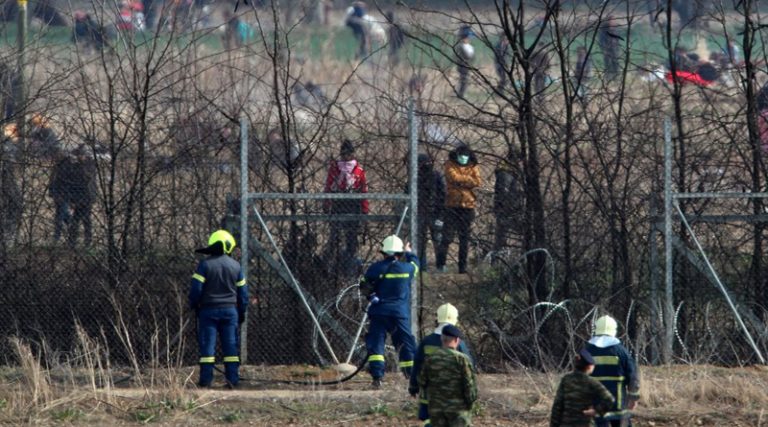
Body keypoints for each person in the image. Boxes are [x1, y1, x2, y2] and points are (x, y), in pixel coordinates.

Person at [189, 230, 248, 388]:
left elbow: (196, 289)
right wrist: (241, 312)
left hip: (208, 311)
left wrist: (194, 304)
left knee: (207, 347)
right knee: (231, 346)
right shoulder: (236, 266)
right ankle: (232, 380)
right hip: (230, 312)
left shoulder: (204, 265)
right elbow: (243, 294)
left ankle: (206, 381)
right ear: (228, 246)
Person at [361, 235, 419, 389]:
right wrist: (409, 252)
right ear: (399, 253)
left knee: (376, 343)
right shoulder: (407, 269)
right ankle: (410, 375)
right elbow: (416, 265)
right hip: (399, 313)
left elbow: (364, 285)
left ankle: (377, 377)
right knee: (405, 343)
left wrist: (371, 296)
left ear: (384, 252)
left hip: (379, 311)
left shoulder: (375, 268)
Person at [410, 303, 474, 427]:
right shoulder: (459, 344)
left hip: (430, 397)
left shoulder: (426, 341)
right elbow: (469, 368)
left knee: (430, 421)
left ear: (437, 319)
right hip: (455, 400)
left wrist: (413, 387)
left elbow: (417, 366)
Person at [586, 315, 640, 427]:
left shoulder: (587, 351)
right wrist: (633, 397)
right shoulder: (621, 351)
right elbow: (633, 376)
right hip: (619, 402)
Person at [324, 140, 369, 275]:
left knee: (351, 239)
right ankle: (329, 266)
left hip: (353, 206)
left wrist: (365, 210)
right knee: (334, 237)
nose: (346, 156)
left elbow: (364, 191)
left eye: (348, 154)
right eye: (343, 154)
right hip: (338, 205)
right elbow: (328, 186)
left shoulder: (359, 171)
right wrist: (327, 203)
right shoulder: (335, 169)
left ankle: (349, 267)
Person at [436, 145, 481, 274]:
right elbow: (452, 177)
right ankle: (441, 264)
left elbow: (477, 181)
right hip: (452, 205)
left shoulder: (473, 165)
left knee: (464, 238)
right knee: (447, 237)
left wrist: (461, 181)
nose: (463, 158)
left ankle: (462, 267)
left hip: (468, 206)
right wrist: (467, 180)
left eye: (465, 155)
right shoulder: (450, 164)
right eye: (461, 155)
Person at [550, 348, 616, 427]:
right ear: (589, 367)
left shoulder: (566, 380)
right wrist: (596, 410)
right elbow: (610, 399)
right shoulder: (591, 382)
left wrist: (554, 424)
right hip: (586, 423)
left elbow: (557, 405)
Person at [48, 144, 97, 247]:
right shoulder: (74, 166)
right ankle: (72, 243)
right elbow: (72, 183)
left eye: (80, 155)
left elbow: (88, 181)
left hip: (87, 198)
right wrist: (72, 200)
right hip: (78, 198)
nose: (79, 157)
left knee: (84, 220)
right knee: (76, 221)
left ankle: (85, 242)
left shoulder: (89, 165)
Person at [416, 154, 445, 271]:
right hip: (420, 212)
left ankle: (440, 265)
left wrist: (441, 212)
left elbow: (442, 193)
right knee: (421, 241)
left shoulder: (436, 176)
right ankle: (422, 267)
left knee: (437, 239)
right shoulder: (416, 177)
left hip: (434, 212)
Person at [493, 159, 521, 252]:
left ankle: (500, 255)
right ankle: (499, 256)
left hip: (508, 208)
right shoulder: (506, 173)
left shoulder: (508, 172)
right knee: (502, 234)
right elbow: (504, 193)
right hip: (507, 209)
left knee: (502, 234)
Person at [455, 25, 475, 98]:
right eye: (467, 38)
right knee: (463, 81)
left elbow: (472, 57)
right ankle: (461, 94)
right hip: (462, 67)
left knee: (465, 81)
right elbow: (458, 58)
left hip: (467, 67)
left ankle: (461, 93)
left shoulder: (470, 47)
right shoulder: (460, 47)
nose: (468, 39)